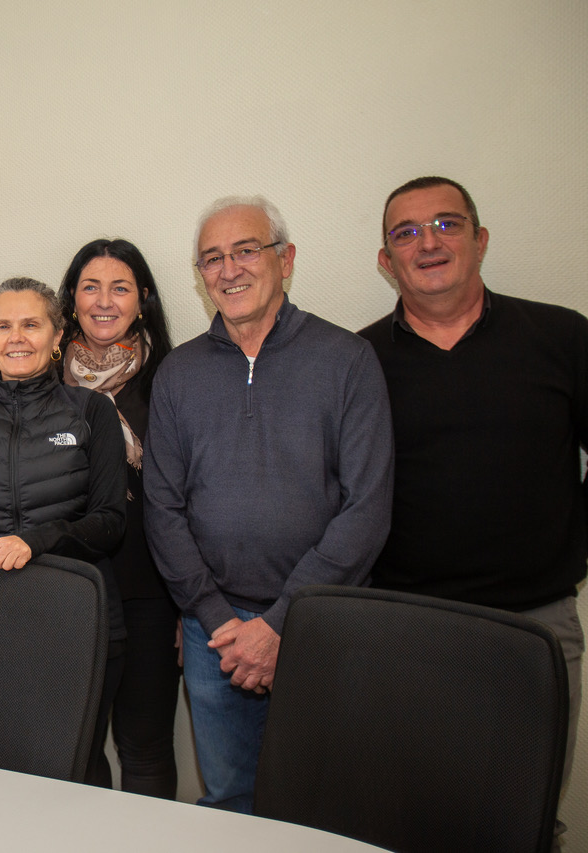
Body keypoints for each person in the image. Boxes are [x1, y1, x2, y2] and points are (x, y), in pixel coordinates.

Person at [143, 196, 394, 813]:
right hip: (214, 634)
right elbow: (162, 506)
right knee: (230, 799)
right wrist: (214, 616)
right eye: (211, 258)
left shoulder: (347, 361)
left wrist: (281, 622)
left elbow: (367, 507)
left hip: (321, 628)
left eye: (246, 250)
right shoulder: (179, 374)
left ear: (285, 259)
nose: (229, 269)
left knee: (321, 803)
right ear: (200, 276)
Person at [358, 176, 587, 832]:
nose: (427, 242)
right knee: (412, 817)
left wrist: (573, 543)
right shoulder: (358, 361)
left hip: (536, 624)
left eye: (446, 224)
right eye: (405, 233)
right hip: (404, 629)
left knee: (523, 818)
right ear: (385, 259)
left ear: (480, 240)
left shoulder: (562, 337)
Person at [0, 277, 127, 787]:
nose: (16, 337)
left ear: (57, 335)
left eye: (31, 324)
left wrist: (36, 541)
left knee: (76, 767)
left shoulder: (91, 412)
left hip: (77, 617)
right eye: (3, 326)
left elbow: (110, 522)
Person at [58, 238, 180, 799]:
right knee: (75, 747)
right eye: (91, 286)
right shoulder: (42, 377)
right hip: (69, 585)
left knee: (146, 746)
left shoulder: (176, 377)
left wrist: (192, 606)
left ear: (143, 298)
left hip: (153, 589)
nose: (104, 300)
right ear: (72, 298)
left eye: (121, 287)